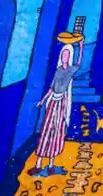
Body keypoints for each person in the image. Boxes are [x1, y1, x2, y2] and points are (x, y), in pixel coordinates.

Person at [31, 32, 82, 176]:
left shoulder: (71, 70)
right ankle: (39, 163)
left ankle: (51, 164)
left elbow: (79, 62)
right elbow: (51, 88)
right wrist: (43, 100)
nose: (65, 57)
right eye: (63, 54)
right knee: (47, 130)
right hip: (53, 102)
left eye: (67, 55)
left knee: (57, 132)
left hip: (61, 104)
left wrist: (81, 46)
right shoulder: (58, 70)